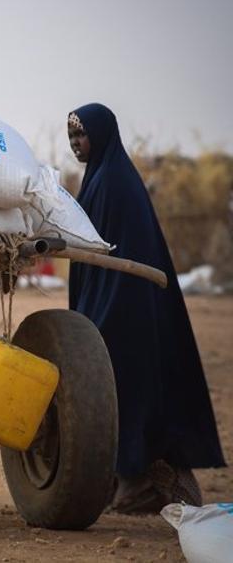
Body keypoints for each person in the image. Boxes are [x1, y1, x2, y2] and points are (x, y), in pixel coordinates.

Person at [67, 103, 225, 513]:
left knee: (121, 388)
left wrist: (96, 318)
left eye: (80, 136)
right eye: (71, 139)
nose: (75, 145)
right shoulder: (101, 178)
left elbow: (124, 259)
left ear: (100, 136)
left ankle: (136, 481)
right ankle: (126, 480)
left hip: (127, 310)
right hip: (112, 303)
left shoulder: (116, 182)